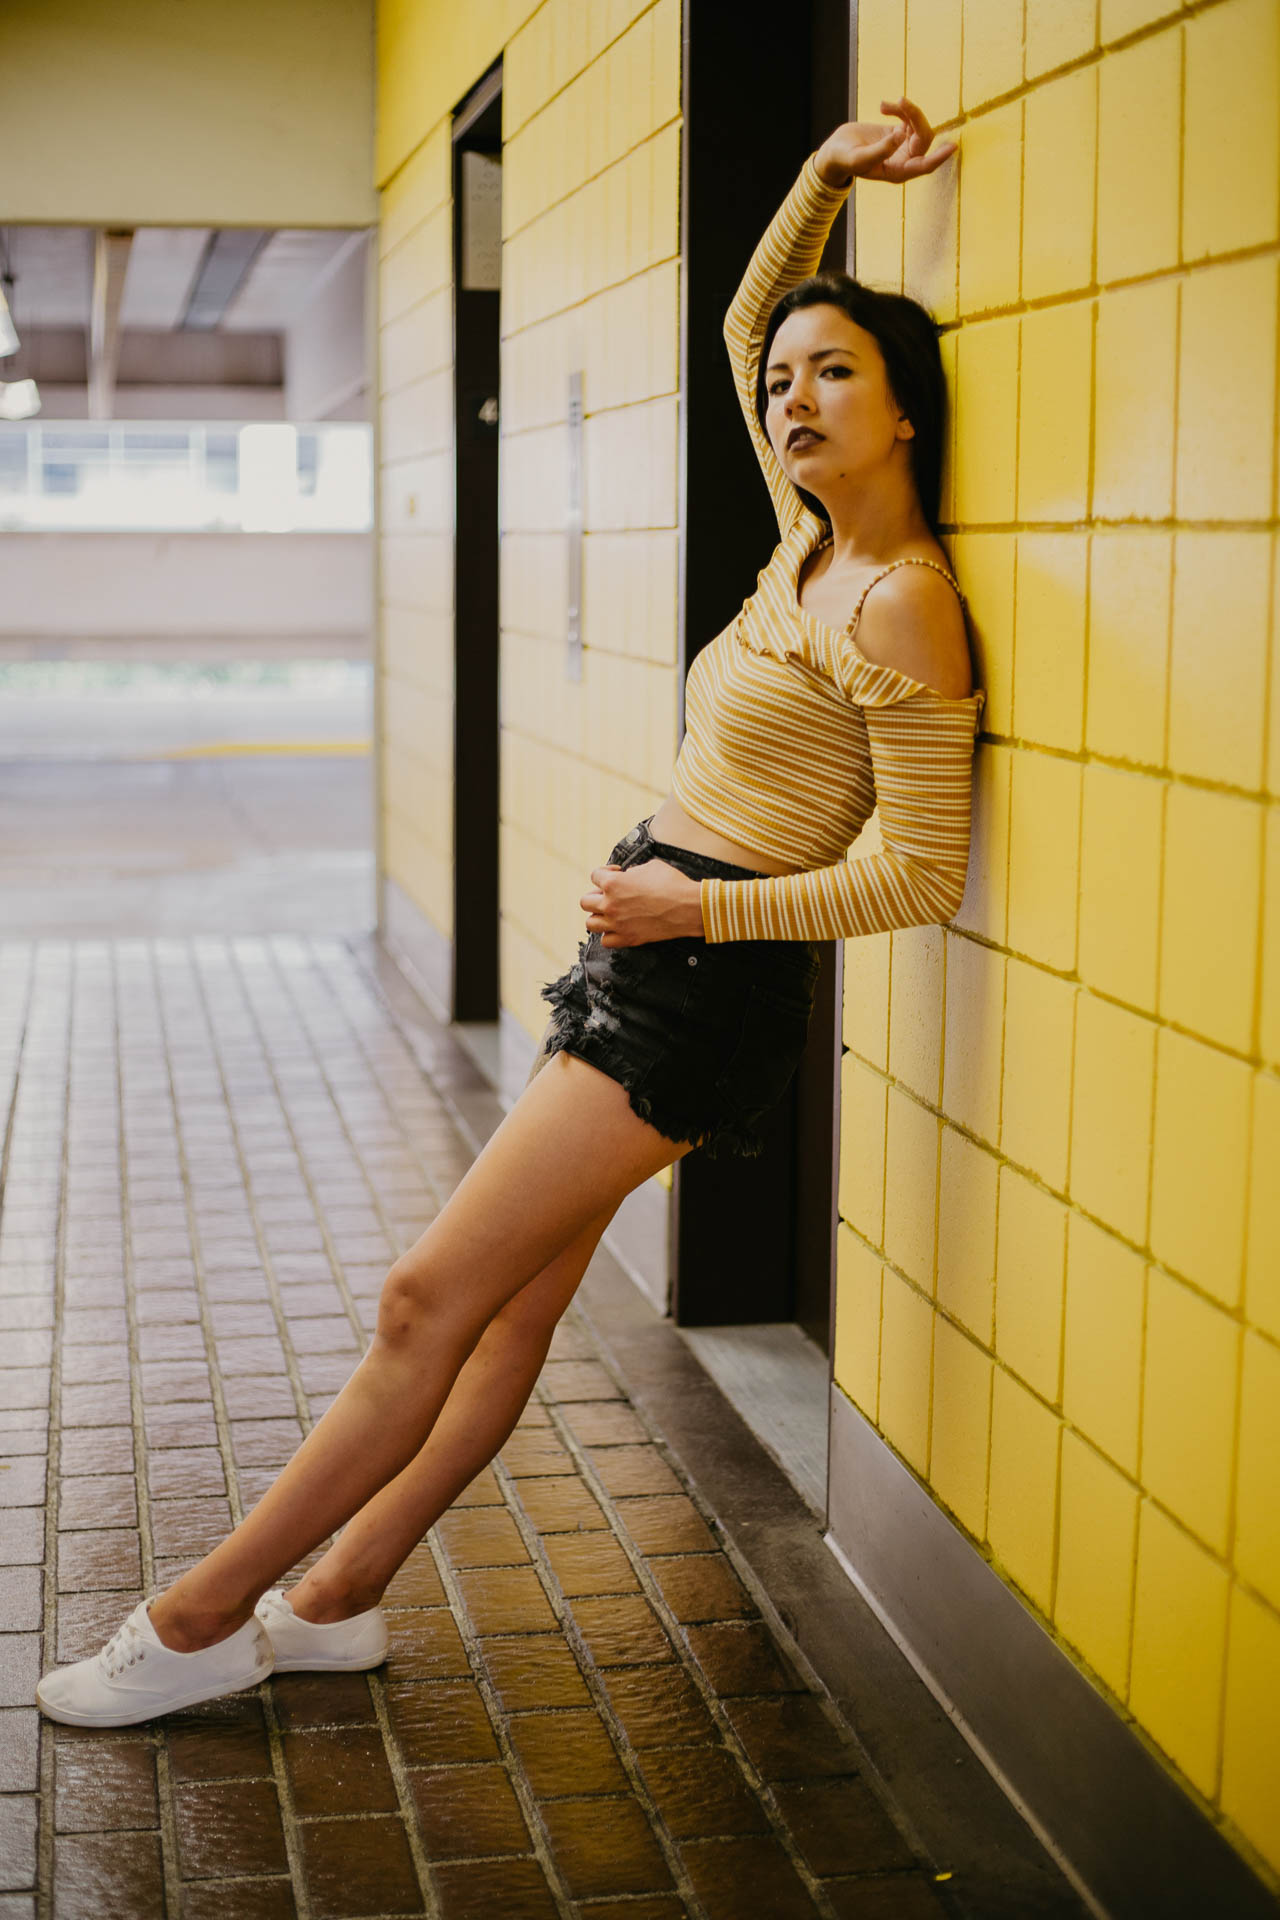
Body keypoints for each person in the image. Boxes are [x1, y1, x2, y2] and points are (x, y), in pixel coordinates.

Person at [37, 96, 978, 1727]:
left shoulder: (904, 605)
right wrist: (825, 173)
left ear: (906, 415)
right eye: (788, 383)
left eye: (840, 374)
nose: (796, 394)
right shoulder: (804, 541)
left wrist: (696, 913)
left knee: (426, 1298)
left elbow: (920, 872)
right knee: (516, 1304)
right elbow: (748, 311)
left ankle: (197, 1620)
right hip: (656, 953)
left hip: (698, 983)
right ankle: (336, 1600)